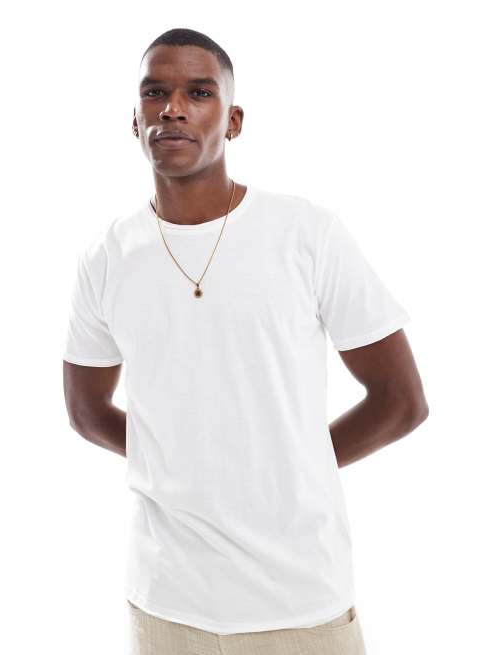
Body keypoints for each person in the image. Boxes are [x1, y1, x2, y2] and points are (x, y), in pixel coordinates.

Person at [62, 27, 429, 655]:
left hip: (299, 601)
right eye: (155, 93)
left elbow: (401, 402)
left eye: (199, 93)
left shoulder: (305, 234)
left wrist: (289, 464)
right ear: (135, 120)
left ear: (232, 121)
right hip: (166, 603)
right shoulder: (107, 257)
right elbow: (85, 410)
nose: (173, 108)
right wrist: (177, 462)